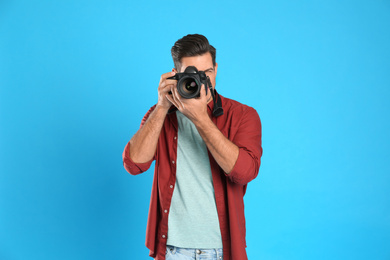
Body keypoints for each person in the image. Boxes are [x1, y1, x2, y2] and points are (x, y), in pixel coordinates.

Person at [122, 34, 262, 260]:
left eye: (206, 73)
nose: (201, 80)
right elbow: (134, 164)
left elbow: (244, 172)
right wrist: (160, 107)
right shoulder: (160, 116)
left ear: (215, 69)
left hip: (221, 249)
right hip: (172, 249)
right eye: (192, 74)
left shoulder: (243, 115)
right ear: (175, 75)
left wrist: (200, 119)